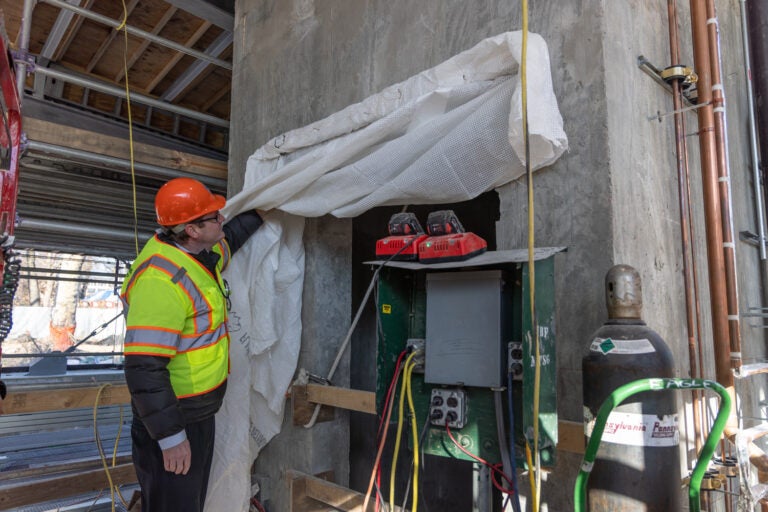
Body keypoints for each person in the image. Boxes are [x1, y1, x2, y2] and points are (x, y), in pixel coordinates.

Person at [121, 177, 263, 512]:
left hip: (196, 415)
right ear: (193, 230)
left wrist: (264, 207)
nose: (222, 219)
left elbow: (230, 242)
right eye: (214, 217)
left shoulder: (198, 254)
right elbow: (144, 369)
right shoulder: (161, 281)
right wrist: (170, 439)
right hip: (173, 422)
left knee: (191, 502)